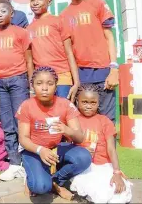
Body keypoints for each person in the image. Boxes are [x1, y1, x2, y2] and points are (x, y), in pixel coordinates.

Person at [16, 66, 91, 200]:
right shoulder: (27, 105)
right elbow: (23, 139)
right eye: (39, 83)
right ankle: (33, 176)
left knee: (84, 157)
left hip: (55, 148)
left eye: (50, 84)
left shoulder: (66, 105)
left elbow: (80, 137)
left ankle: (56, 181)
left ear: (56, 86)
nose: (44, 88)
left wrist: (67, 130)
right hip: (33, 150)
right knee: (40, 187)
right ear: (32, 86)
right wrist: (40, 150)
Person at [60, 0, 119, 122]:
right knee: (84, 120)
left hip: (103, 71)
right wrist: (74, 79)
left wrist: (114, 69)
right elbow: (68, 51)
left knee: (107, 119)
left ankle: (109, 147)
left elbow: (109, 37)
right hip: (80, 74)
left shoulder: (98, 4)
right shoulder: (63, 16)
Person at [0, 0, 33, 181]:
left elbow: (29, 61)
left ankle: (27, 162)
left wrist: (31, 86)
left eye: (3, 11)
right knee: (7, 124)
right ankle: (14, 163)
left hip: (18, 81)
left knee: (21, 121)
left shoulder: (21, 33)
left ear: (12, 13)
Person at [70, 84, 133, 203]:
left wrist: (117, 172)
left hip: (104, 165)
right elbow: (68, 146)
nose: (88, 106)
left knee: (119, 192)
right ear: (77, 102)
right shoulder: (73, 120)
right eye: (84, 102)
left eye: (93, 103)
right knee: (101, 194)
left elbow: (111, 149)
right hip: (84, 166)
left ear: (99, 103)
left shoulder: (104, 121)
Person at [27, 0, 80, 101]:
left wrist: (76, 82)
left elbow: (69, 52)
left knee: (63, 115)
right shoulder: (28, 29)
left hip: (62, 76)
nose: (35, 2)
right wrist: (32, 87)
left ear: (49, 2)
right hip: (41, 79)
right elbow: (30, 61)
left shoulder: (59, 21)